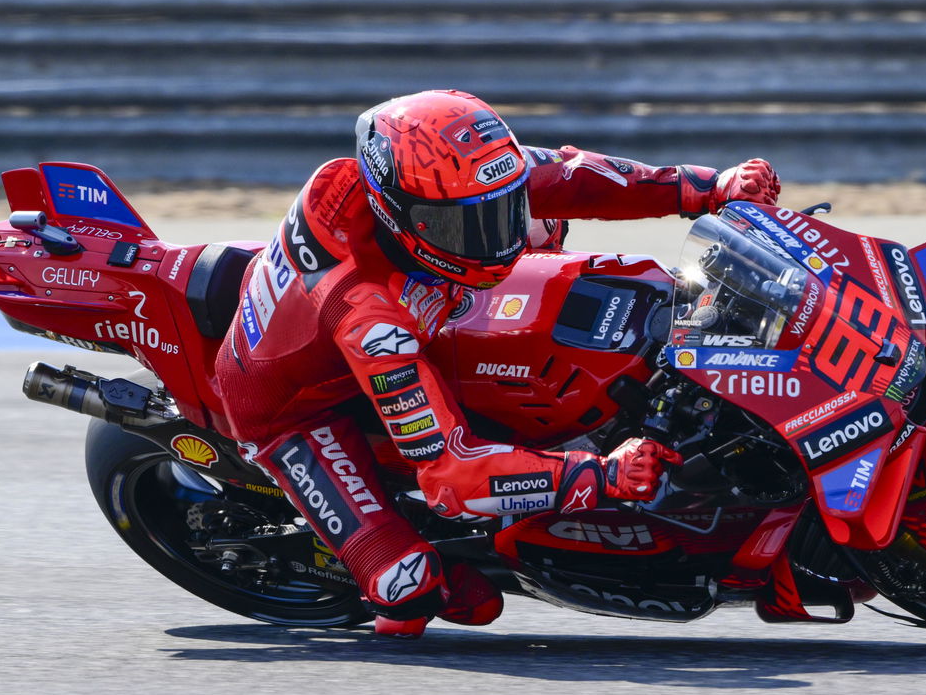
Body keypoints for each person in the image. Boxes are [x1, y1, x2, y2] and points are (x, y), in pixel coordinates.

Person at [214, 89, 780, 637]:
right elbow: (448, 475)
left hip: (411, 307)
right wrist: (600, 475)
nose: (496, 237)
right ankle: (423, 561)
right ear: (399, 215)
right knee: (409, 587)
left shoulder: (448, 186)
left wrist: (708, 188)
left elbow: (571, 176)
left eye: (500, 210)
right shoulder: (369, 316)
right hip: (301, 408)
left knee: (556, 241)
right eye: (464, 226)